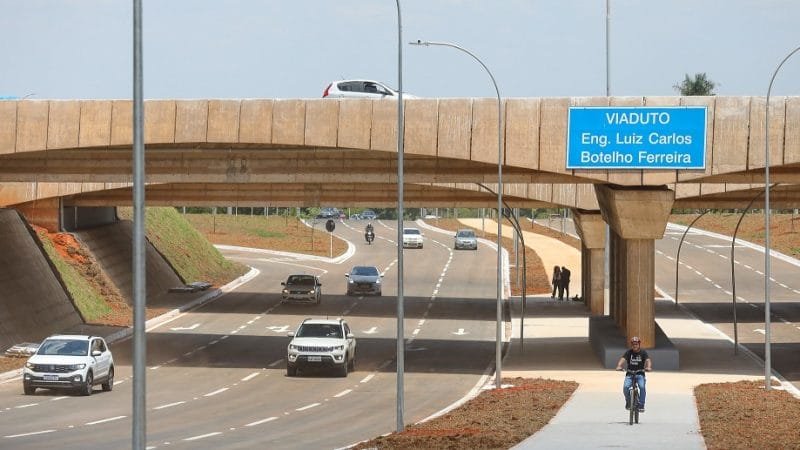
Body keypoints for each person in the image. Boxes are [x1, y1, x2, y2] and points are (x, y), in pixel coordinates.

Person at [615, 336, 652, 412]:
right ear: (631, 345)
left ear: (639, 344)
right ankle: (628, 401)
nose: (635, 346)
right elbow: (623, 359)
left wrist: (648, 367)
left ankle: (641, 404)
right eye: (633, 344)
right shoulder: (629, 352)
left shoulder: (643, 352)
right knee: (625, 387)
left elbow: (648, 360)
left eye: (636, 344)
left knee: (642, 387)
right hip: (630, 374)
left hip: (640, 374)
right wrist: (619, 366)